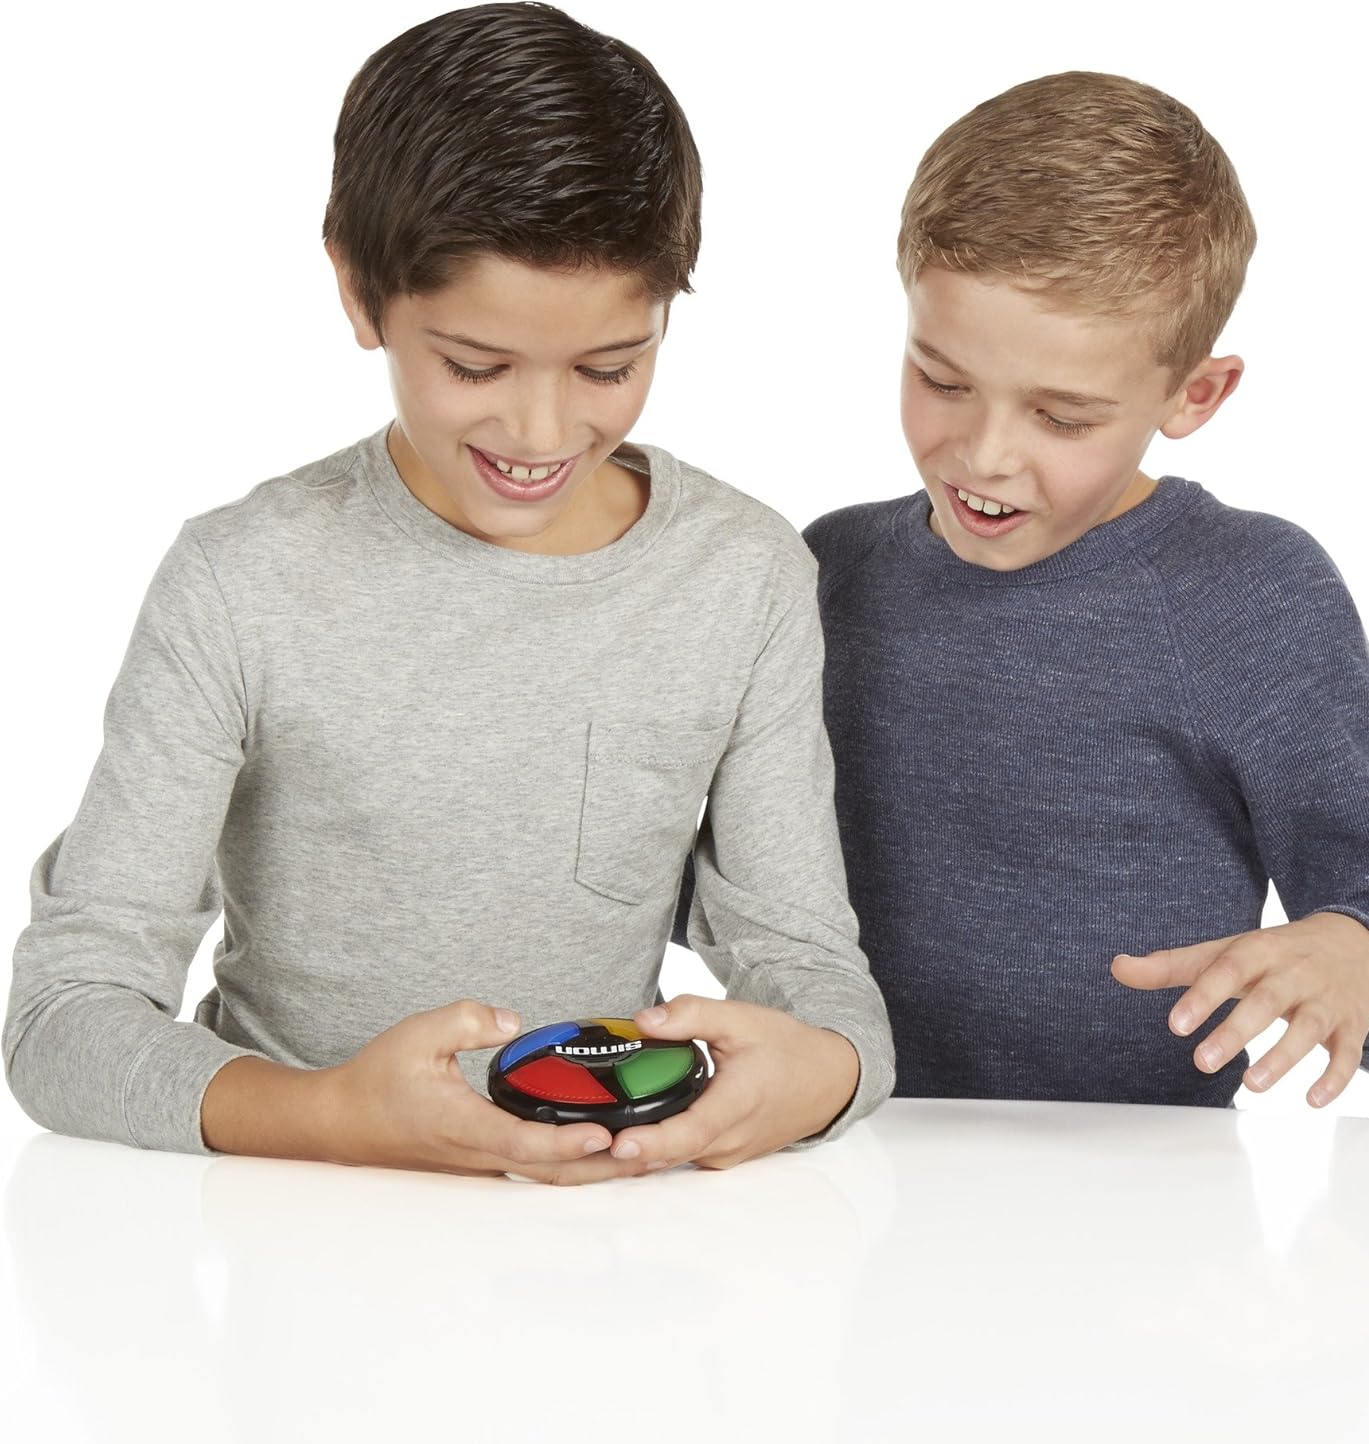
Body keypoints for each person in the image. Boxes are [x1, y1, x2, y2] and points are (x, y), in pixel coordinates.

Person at [4, 2, 893, 1183]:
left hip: (606, 1242)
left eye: (610, 366)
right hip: (288, 1221)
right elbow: (61, 1019)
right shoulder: (239, 582)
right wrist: (330, 1116)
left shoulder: (744, 576)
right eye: (475, 365)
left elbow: (820, 980)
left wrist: (820, 1072)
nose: (541, 429)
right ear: (357, 290)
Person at [760, 71, 1369, 1108]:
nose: (984, 454)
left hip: (1147, 1194)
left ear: (1195, 394)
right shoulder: (831, 567)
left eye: (1061, 417)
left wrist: (1359, 957)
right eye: (942, 380)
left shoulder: (1250, 598)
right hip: (841, 1164)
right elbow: (730, 885)